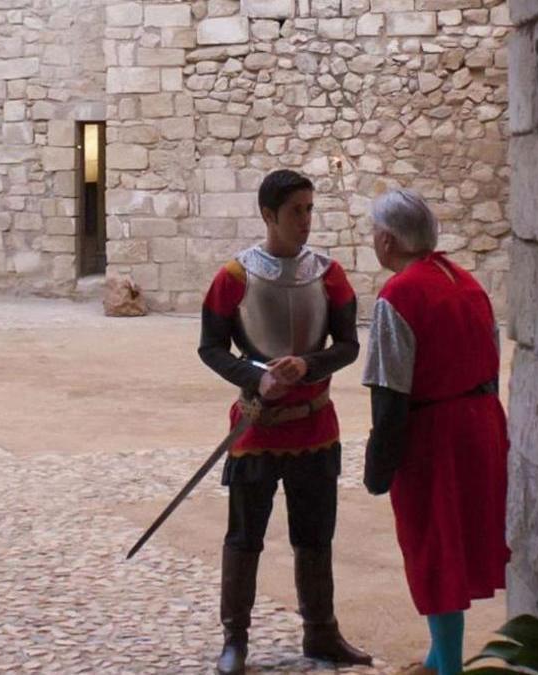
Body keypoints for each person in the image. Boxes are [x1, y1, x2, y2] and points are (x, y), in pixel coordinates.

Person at [198, 169, 373, 674]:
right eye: (296, 210)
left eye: (310, 209)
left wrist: (309, 365)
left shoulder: (329, 274)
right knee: (244, 536)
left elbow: (346, 345)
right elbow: (211, 347)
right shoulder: (234, 278)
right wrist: (256, 376)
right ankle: (235, 641)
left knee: (315, 535)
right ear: (268, 215)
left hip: (316, 427)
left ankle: (321, 633)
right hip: (257, 428)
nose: (306, 220)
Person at [360, 189, 510, 675]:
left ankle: (448, 666)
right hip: (482, 424)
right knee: (455, 540)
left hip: (435, 435)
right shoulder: (465, 280)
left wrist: (379, 464)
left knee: (437, 549)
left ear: (387, 240)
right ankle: (435, 657)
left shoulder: (400, 294)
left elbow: (390, 388)